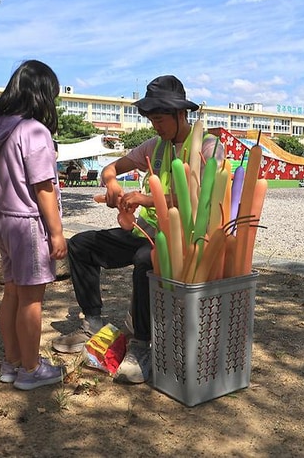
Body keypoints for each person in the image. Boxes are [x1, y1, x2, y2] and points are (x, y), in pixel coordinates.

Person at [51, 75, 223, 384]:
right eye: (152, 120)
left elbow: (200, 200)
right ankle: (92, 320)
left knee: (146, 259)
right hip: (147, 230)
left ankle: (142, 345)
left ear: (180, 114)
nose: (156, 126)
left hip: (185, 240)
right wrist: (113, 183)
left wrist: (146, 198)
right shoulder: (154, 146)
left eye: (160, 120)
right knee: (81, 245)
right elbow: (110, 168)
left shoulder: (209, 147)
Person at [0, 60, 67, 390]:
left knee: (12, 294)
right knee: (32, 299)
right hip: (28, 224)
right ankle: (32, 371)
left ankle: (13, 362)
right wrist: (58, 232)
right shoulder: (34, 131)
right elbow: (44, 186)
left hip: (4, 220)